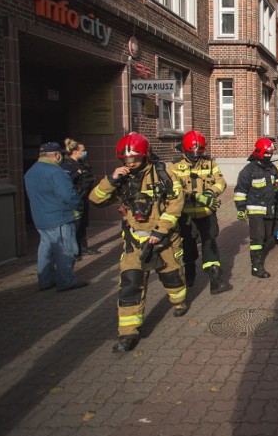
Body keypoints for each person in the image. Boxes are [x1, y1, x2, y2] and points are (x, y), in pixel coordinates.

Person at [89, 132, 187, 353]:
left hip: (163, 240)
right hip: (135, 242)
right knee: (131, 284)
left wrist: (160, 231)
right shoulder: (120, 179)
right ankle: (128, 333)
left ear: (146, 156)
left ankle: (179, 300)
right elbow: (96, 199)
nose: (130, 164)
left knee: (171, 276)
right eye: (125, 160)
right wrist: (112, 180)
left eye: (134, 159)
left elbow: (176, 204)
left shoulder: (164, 173)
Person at [170, 130, 229, 294]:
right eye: (192, 152)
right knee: (188, 247)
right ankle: (189, 274)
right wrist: (195, 196)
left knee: (210, 244)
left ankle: (216, 281)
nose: (196, 156)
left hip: (207, 214)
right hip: (186, 217)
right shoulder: (174, 167)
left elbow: (221, 182)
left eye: (199, 152)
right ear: (184, 150)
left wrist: (210, 193)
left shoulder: (210, 163)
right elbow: (174, 191)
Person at [23, 142, 88, 292]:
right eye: (61, 155)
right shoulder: (55, 172)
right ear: (56, 155)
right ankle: (66, 281)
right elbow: (68, 195)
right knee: (66, 250)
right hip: (59, 217)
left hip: (40, 218)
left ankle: (45, 280)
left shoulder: (31, 171)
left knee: (45, 250)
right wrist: (79, 205)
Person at [234, 138, 278, 278]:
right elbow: (240, 191)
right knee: (258, 238)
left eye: (270, 153)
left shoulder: (272, 168)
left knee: (268, 238)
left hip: (269, 209)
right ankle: (256, 267)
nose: (269, 156)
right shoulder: (248, 170)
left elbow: (277, 179)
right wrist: (241, 209)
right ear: (259, 152)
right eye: (266, 153)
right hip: (255, 210)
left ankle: (258, 258)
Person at [61, 138, 98, 257]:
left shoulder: (83, 165)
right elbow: (66, 182)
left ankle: (83, 246)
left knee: (83, 223)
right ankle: (74, 251)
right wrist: (77, 173)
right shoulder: (67, 165)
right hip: (74, 199)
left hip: (83, 198)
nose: (84, 152)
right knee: (75, 226)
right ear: (75, 151)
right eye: (82, 150)